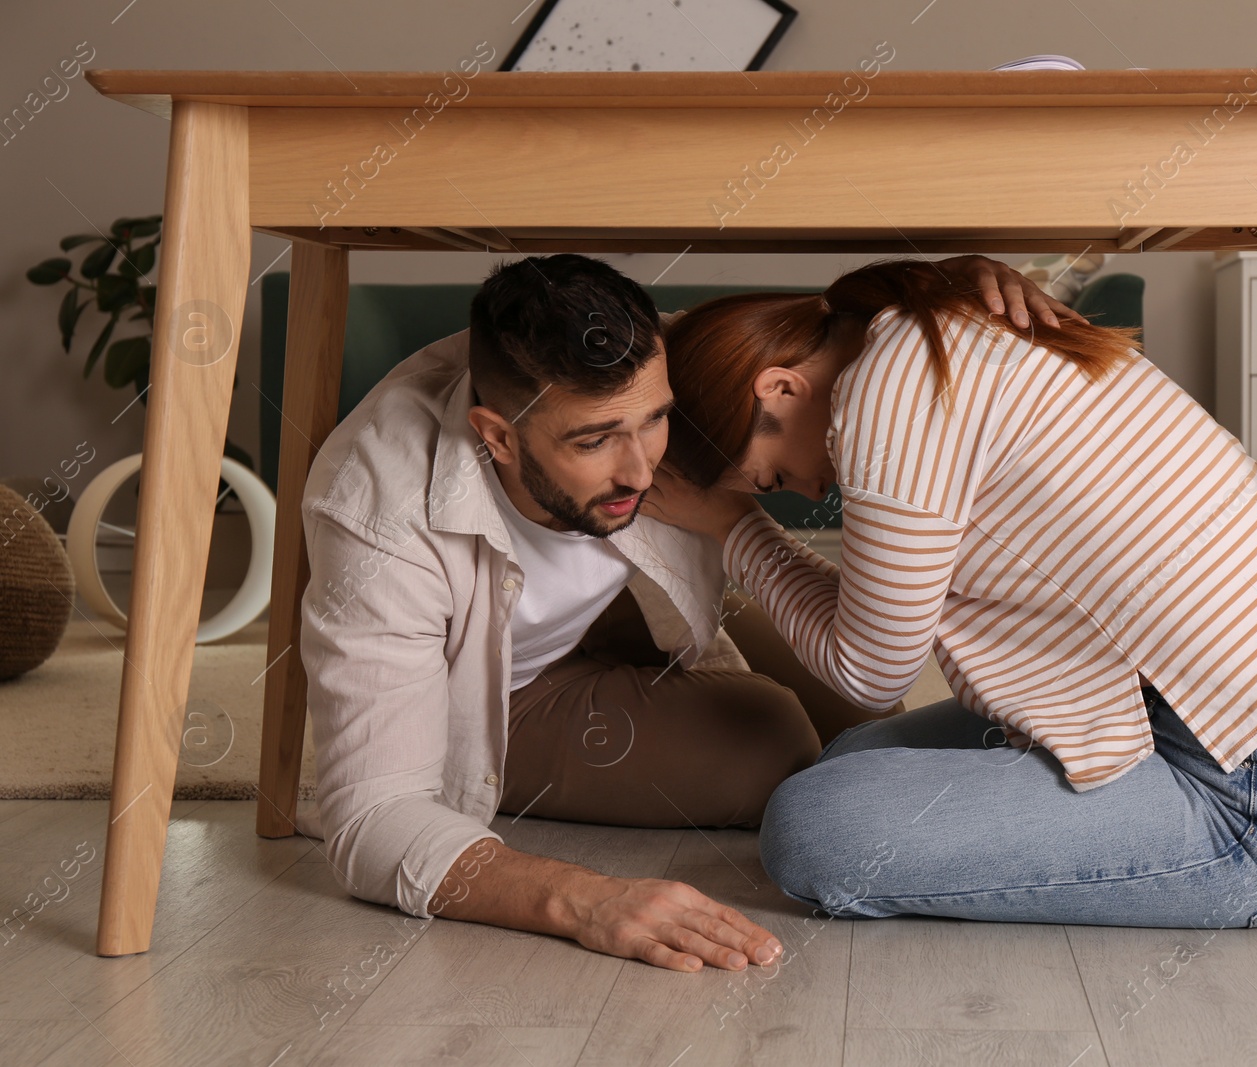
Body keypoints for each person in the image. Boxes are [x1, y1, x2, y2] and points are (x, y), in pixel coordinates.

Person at [295, 251, 1074, 975]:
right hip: (507, 684)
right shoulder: (376, 514)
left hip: (647, 606)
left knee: (866, 707)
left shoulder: (656, 369)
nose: (641, 467)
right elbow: (371, 817)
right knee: (776, 746)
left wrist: (953, 288)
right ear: (497, 436)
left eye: (654, 419)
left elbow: (830, 337)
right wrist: (582, 900)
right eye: (596, 440)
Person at [646, 257, 1257, 929]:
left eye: (771, 475)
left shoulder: (887, 393)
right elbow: (874, 626)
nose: (806, 492)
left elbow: (872, 672)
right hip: (1242, 722)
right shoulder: (929, 330)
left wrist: (731, 523)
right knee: (846, 759)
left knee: (811, 828)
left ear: (781, 386)